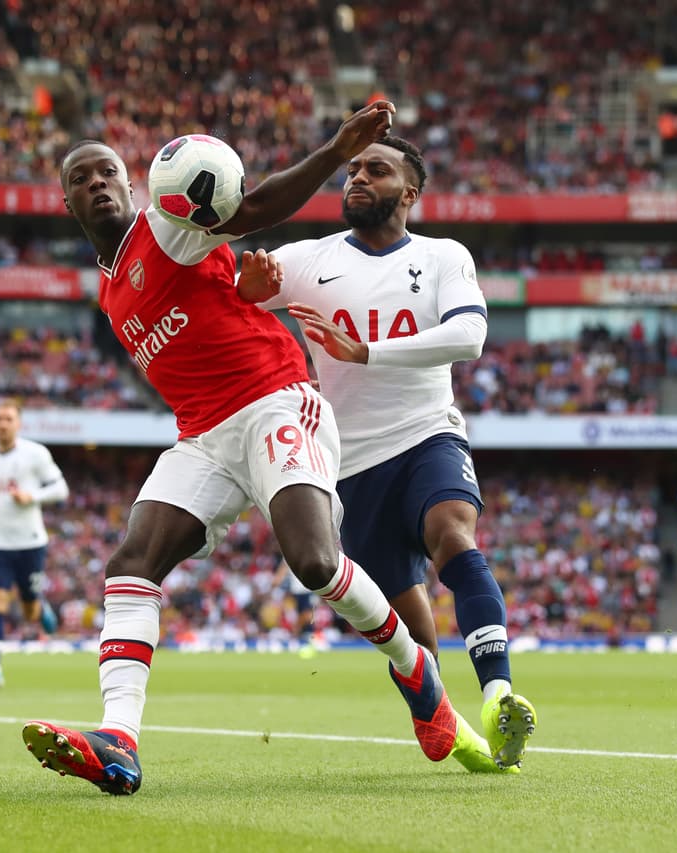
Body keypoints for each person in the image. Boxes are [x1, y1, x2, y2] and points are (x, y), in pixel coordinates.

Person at [23, 101, 501, 798]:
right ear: (66, 200)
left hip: (276, 400)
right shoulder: (108, 292)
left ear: (134, 188)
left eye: (107, 173)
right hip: (204, 434)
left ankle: (416, 669)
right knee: (133, 560)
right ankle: (117, 739)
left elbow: (252, 208)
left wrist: (337, 151)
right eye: (82, 178)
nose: (97, 183)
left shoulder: (171, 227)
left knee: (313, 561)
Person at [239, 134, 536, 770]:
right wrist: (245, 285)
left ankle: (500, 694)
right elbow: (231, 298)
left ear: (410, 191)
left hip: (428, 431)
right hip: (348, 464)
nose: (357, 178)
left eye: (376, 169)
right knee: (410, 631)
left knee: (452, 534)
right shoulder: (305, 260)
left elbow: (469, 335)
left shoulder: (441, 256)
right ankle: (462, 738)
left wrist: (363, 352)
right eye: (352, 170)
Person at [0, 398, 70, 688]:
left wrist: (31, 497)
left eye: (9, 419)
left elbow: (61, 489)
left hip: (30, 543)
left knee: (29, 611)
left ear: (19, 424)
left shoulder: (35, 454)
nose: (3, 424)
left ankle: (39, 606)